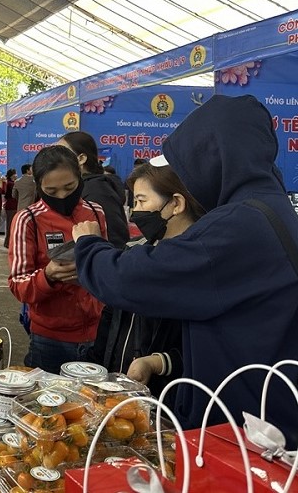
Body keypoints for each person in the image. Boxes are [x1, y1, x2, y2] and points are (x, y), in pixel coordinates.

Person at [72, 95, 298, 445]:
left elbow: (137, 279)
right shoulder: (271, 209)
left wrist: (88, 249)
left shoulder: (240, 224)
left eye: (190, 165)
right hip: (264, 411)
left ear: (214, 157)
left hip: (243, 430)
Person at [84, 162, 205, 400]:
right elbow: (112, 316)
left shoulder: (197, 266)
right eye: (134, 202)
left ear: (176, 204)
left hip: (167, 397)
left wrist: (158, 363)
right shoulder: (134, 252)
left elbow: (203, 347)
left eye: (141, 201)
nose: (135, 211)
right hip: (116, 390)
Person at [8, 145, 107, 374]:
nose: (62, 196)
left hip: (96, 332)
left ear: (80, 178)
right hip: (49, 339)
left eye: (70, 187)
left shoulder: (96, 212)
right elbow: (18, 284)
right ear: (39, 186)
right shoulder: (28, 219)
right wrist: (48, 276)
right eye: (51, 191)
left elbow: (106, 265)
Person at [59, 131, 129, 248]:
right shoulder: (82, 188)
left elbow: (115, 239)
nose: (55, 159)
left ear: (81, 158)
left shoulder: (97, 191)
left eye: (62, 153)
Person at [3, 168, 17, 248]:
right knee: (10, 225)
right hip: (11, 206)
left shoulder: (9, 183)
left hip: (10, 205)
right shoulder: (11, 184)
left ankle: (8, 242)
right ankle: (8, 242)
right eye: (15, 174)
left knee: (10, 224)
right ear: (12, 175)